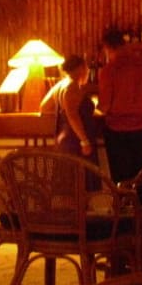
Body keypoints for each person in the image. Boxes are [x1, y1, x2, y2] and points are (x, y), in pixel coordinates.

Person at [98, 28, 142, 201]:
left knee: (121, 176)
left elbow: (104, 106)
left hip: (116, 129)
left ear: (107, 48)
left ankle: (124, 211)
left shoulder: (109, 70)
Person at [40, 54, 100, 188]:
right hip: (76, 140)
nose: (87, 71)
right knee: (80, 184)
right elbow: (72, 115)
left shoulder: (60, 85)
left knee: (68, 184)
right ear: (81, 68)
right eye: (87, 68)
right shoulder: (72, 86)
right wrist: (84, 141)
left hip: (64, 138)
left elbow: (44, 107)